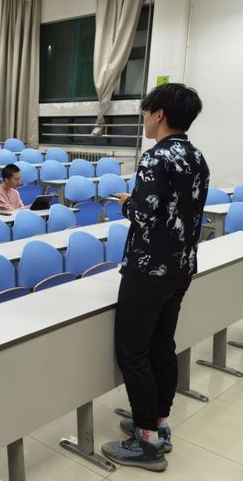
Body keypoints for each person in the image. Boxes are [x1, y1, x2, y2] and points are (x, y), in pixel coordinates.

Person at [101, 83, 209, 472]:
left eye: (145, 113)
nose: (145, 120)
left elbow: (144, 215)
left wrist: (128, 203)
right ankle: (159, 424)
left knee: (133, 353)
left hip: (148, 270)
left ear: (159, 114)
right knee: (162, 347)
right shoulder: (197, 157)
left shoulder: (156, 157)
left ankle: (146, 441)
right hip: (181, 267)